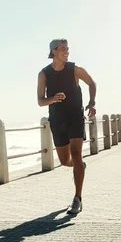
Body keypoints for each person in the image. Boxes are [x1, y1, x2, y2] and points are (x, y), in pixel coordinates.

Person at [37, 38, 97, 214]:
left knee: (77, 155)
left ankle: (77, 198)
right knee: (65, 161)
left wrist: (92, 103)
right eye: (63, 49)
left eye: (68, 49)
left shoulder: (75, 70)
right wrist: (53, 99)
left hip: (75, 117)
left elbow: (92, 83)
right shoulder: (44, 74)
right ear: (53, 51)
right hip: (57, 120)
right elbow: (40, 101)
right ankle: (80, 167)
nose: (67, 51)